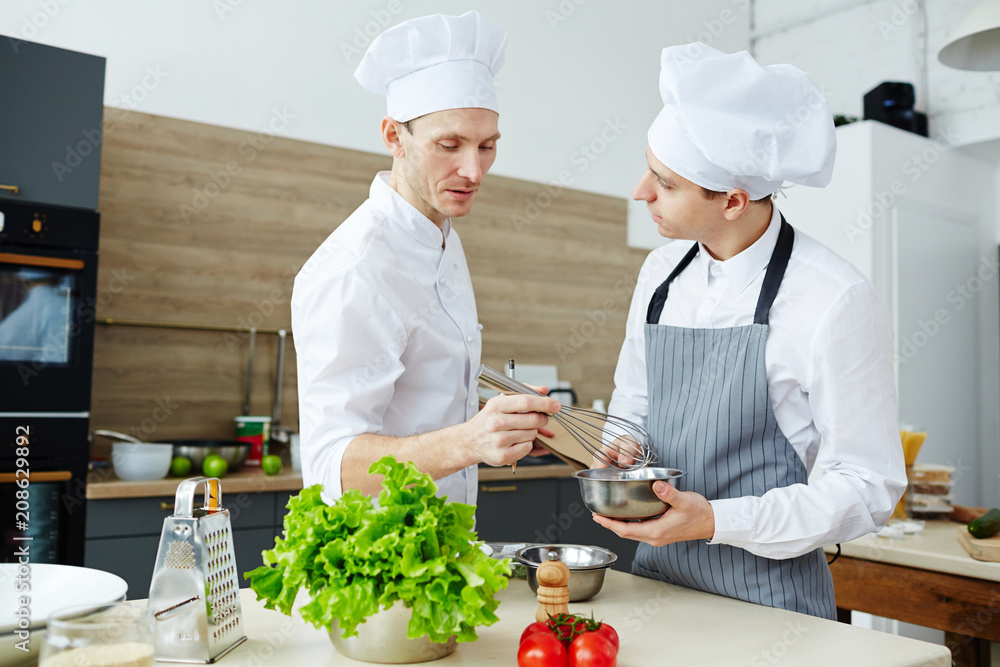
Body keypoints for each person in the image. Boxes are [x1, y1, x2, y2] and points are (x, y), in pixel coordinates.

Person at [592, 43, 906, 619]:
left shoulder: (834, 298)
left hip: (771, 604)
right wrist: (621, 446)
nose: (640, 192)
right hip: (659, 586)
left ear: (733, 200)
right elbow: (633, 401)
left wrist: (716, 520)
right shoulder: (660, 274)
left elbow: (867, 485)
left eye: (664, 183)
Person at [291, 11, 558, 504]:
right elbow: (333, 465)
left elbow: (417, 397)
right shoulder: (356, 268)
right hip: (373, 566)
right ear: (394, 136)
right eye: (449, 145)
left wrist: (499, 421)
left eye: (487, 146)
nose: (473, 170)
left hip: (443, 547)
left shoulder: (439, 235)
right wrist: (470, 441)